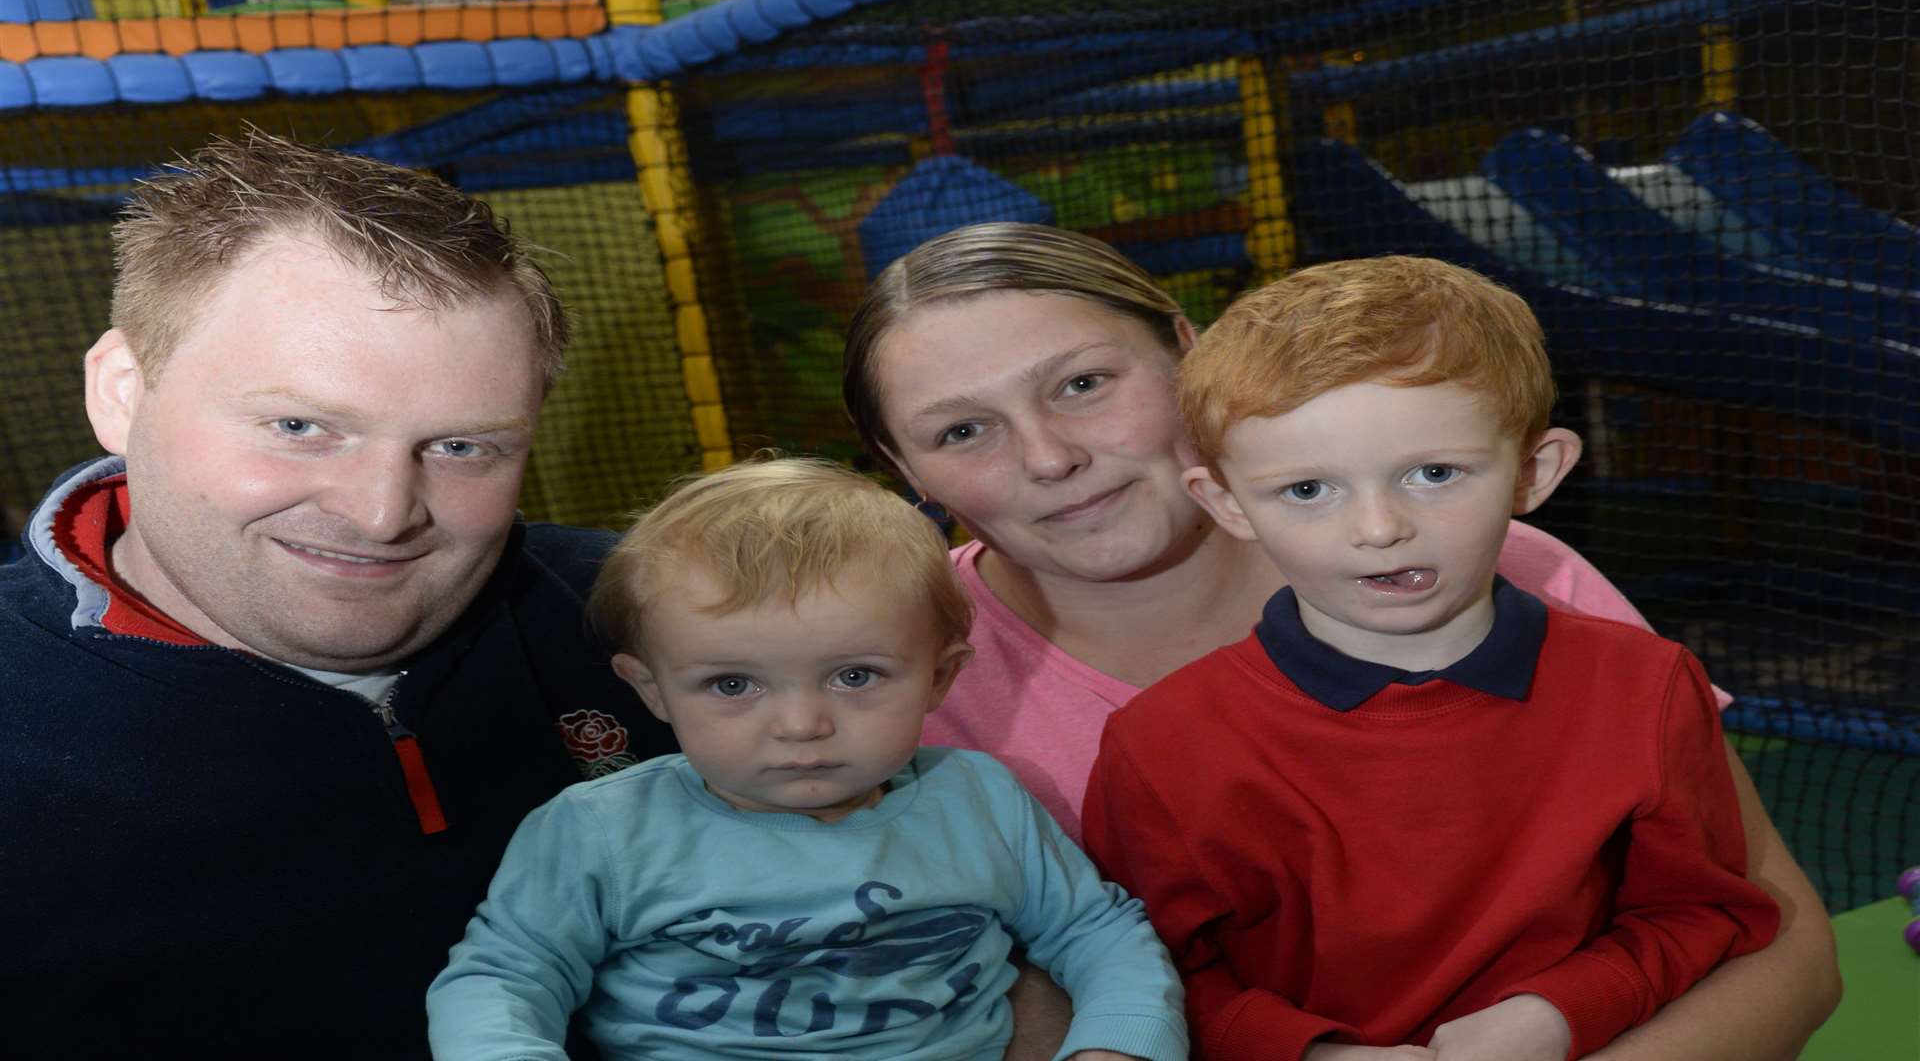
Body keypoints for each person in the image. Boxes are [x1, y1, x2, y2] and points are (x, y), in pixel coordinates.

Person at [841, 222, 1840, 1060]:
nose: (1051, 458)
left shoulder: (1511, 572)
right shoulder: (882, 691)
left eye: (1084, 383)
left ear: (1190, 355)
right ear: (904, 469)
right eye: (961, 432)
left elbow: (1776, 942)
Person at [0, 130, 675, 1057]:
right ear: (123, 391)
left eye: (462, 447)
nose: (382, 514)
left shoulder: (657, 615)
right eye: (300, 425)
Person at [1080, 256, 1781, 1059]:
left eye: (1434, 473)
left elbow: (1701, 909)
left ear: (1533, 472)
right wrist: (1312, 1053)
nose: (1378, 528)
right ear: (1229, 504)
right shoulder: (1162, 746)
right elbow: (1144, 974)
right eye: (1308, 490)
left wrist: (1557, 1013)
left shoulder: (1644, 686)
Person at [426, 456, 1188, 1061]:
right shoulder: (598, 832)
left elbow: (1098, 933)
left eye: (855, 676)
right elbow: (502, 979)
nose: (801, 724)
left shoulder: (981, 800)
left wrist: (1117, 1043)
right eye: (732, 684)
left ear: (942, 677)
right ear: (651, 690)